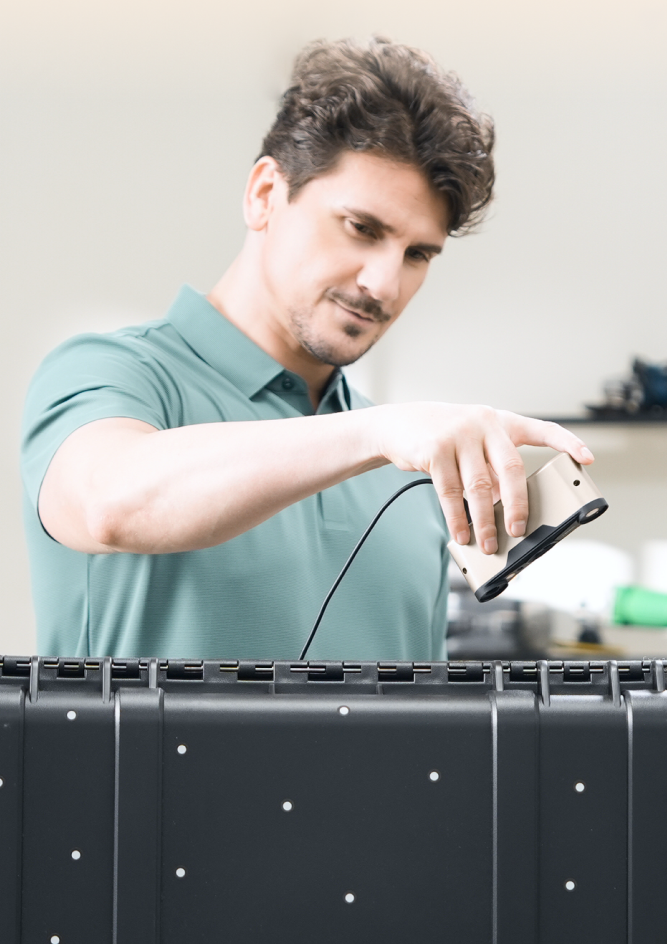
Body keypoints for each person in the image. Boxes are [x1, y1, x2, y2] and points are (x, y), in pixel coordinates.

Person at [20, 38, 592, 661]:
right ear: (265, 194)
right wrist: (376, 433)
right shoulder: (112, 373)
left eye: (417, 254)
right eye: (362, 228)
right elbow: (109, 503)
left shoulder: (404, 464)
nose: (384, 283)